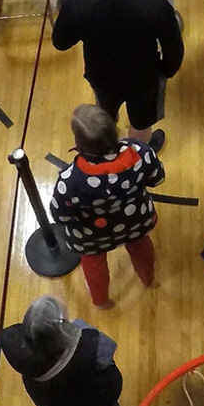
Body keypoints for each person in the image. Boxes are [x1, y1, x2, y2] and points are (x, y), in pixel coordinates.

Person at [53, 0, 184, 149]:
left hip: (101, 76)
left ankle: (109, 150)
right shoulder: (155, 5)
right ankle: (135, 157)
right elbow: (174, 51)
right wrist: (163, 71)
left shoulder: (78, 5)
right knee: (141, 122)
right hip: (144, 78)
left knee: (103, 117)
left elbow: (61, 42)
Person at [52, 104, 165, 310]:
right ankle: (148, 279)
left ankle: (101, 301)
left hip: (91, 236)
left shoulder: (70, 180)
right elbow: (157, 179)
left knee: (94, 263)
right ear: (115, 130)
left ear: (78, 142)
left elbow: (60, 216)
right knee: (141, 246)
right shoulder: (140, 152)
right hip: (136, 221)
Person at [0, 295, 123, 406]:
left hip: (57, 405)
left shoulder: (25, 355)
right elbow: (107, 354)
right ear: (61, 327)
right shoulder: (88, 341)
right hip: (94, 400)